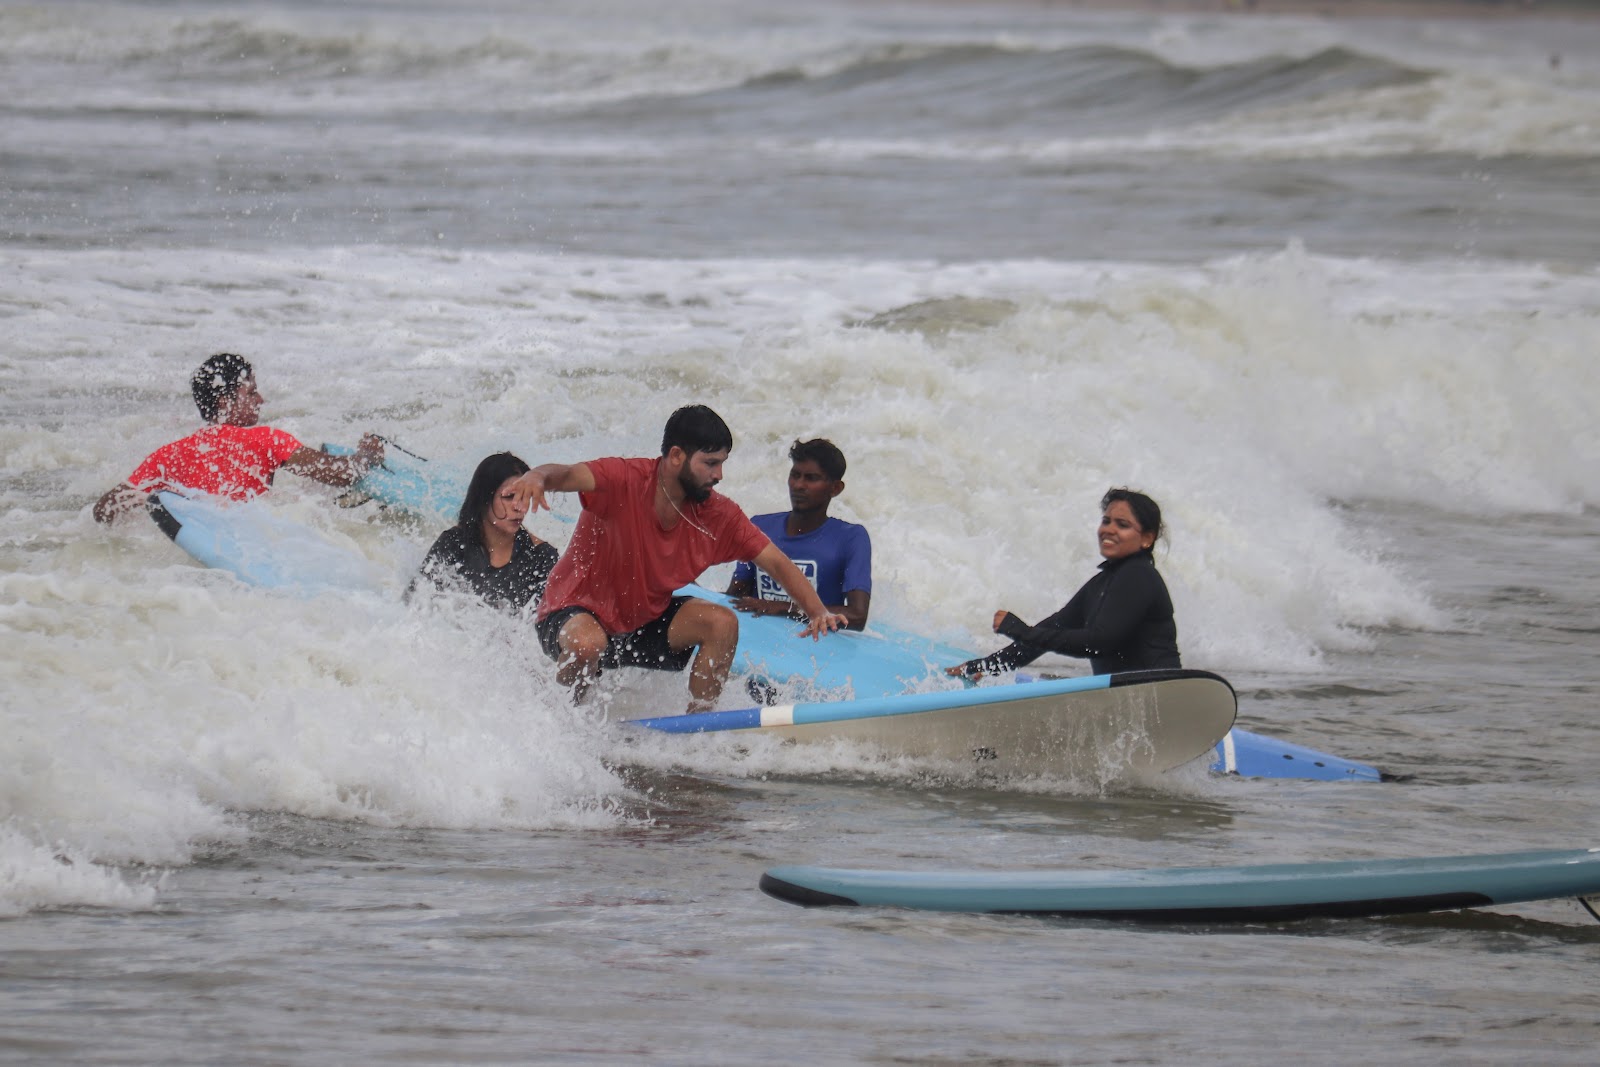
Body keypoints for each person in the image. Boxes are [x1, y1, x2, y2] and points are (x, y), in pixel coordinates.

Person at [509, 405, 847, 713]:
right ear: (675, 456)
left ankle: (697, 729)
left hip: (638, 625)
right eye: (710, 463)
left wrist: (817, 611)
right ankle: (561, 719)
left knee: (721, 622)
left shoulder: (718, 516)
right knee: (588, 643)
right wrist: (537, 477)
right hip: (572, 613)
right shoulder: (623, 479)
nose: (718, 475)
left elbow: (775, 561)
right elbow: (566, 475)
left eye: (722, 464)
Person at [93, 352, 385, 523]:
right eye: (251, 391)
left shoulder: (167, 455)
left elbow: (104, 510)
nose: (261, 399)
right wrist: (368, 455)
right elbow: (341, 473)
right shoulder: (266, 440)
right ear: (223, 402)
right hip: (249, 538)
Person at [947, 487, 1181, 679]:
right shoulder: (1101, 584)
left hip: (1163, 697)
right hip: (1126, 702)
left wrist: (1023, 632)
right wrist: (988, 667)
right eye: (1106, 521)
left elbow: (1099, 642)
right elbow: (1053, 629)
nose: (1108, 529)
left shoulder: (1139, 575)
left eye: (1122, 524)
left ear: (1147, 538)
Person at [725, 438, 872, 631]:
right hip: (758, 639)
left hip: (815, 645)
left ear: (835, 488)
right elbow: (736, 596)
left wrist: (781, 608)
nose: (798, 485)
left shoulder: (851, 538)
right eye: (795, 475)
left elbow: (857, 616)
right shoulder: (760, 526)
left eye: (811, 478)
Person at [409, 452, 560, 614]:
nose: (520, 507)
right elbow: (414, 602)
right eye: (509, 497)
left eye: (525, 497)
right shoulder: (453, 544)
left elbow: (547, 624)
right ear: (484, 498)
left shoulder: (541, 557)